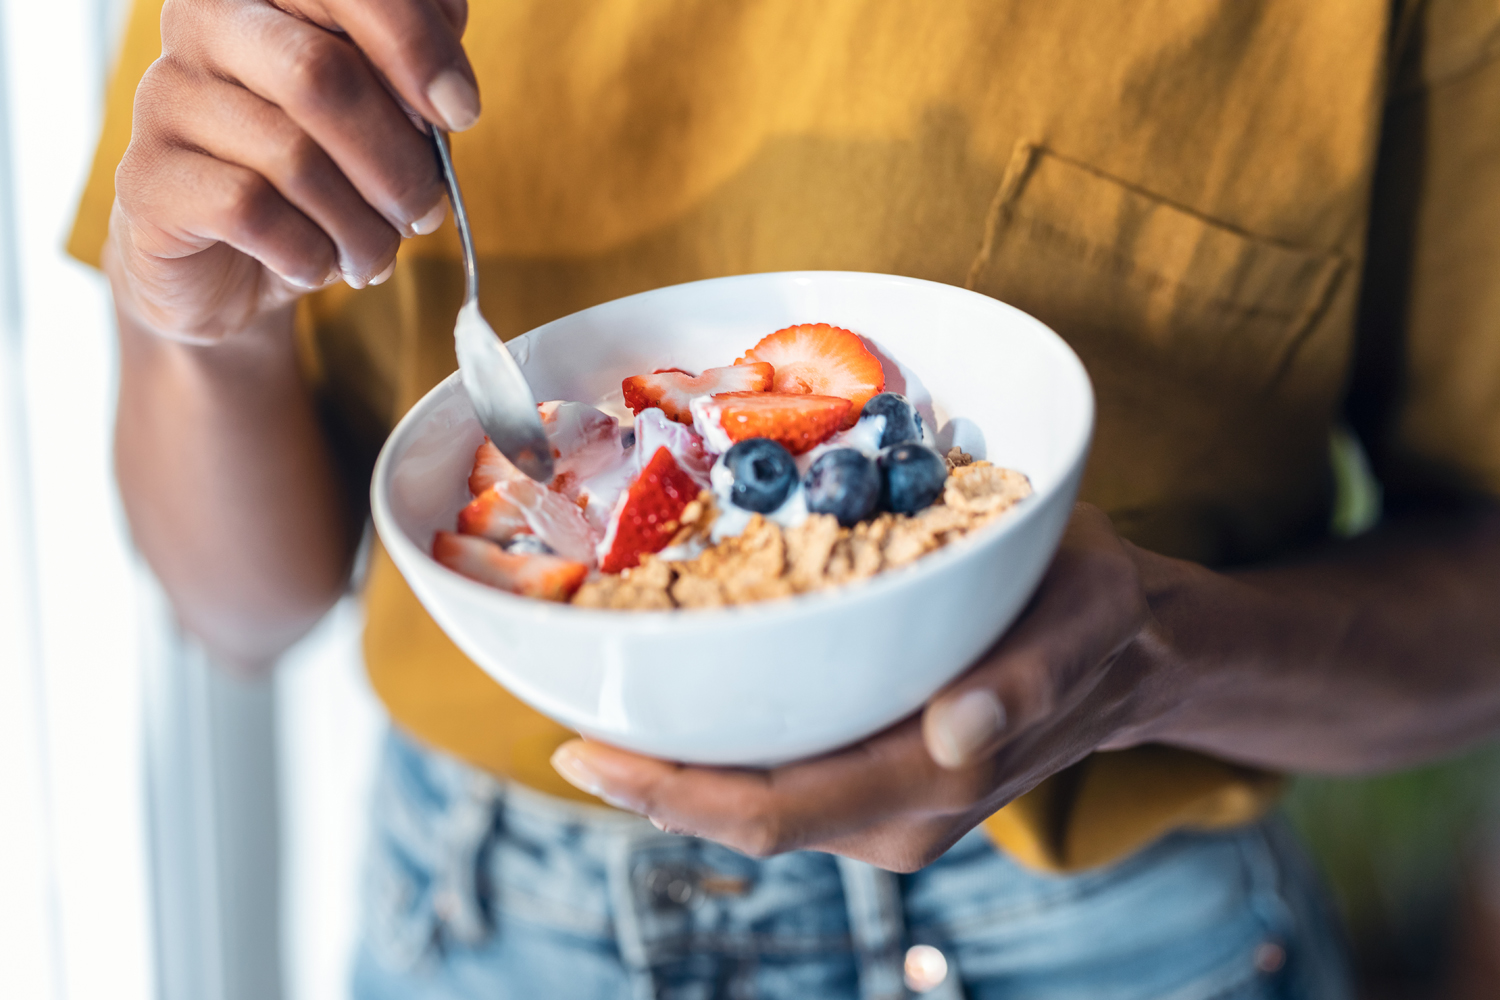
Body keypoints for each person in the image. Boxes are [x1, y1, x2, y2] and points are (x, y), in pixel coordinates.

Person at [71, 0, 1500, 996]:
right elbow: (238, 608)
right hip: (493, 923)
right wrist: (210, 334)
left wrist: (1152, 661)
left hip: (1107, 935)